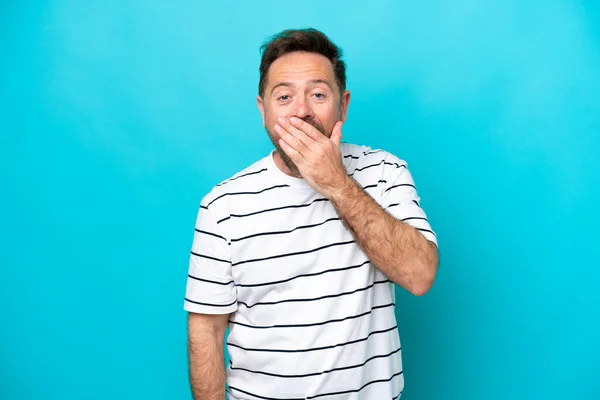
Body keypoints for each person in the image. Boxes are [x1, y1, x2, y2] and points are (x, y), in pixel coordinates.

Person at [183, 28, 439, 400]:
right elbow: (205, 331)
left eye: (318, 94)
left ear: (343, 104)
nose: (301, 111)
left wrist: (336, 183)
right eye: (284, 96)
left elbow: (420, 276)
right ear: (263, 110)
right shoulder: (223, 205)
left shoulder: (385, 174)